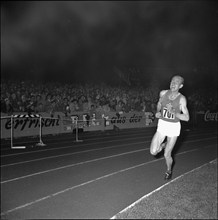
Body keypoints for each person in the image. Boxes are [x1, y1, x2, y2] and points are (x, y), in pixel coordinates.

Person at [150, 75, 190, 180]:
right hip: (163, 124)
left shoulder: (182, 99)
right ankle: (163, 145)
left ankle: (169, 170)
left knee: (167, 155)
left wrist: (175, 113)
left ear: (180, 86)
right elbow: (159, 104)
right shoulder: (163, 93)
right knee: (153, 151)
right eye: (172, 81)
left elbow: (186, 117)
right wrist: (158, 112)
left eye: (176, 82)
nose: (173, 84)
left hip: (173, 127)